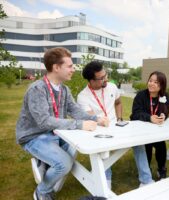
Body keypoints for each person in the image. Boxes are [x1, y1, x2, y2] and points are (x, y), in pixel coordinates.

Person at [16, 47, 106, 200]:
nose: (73, 69)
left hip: (56, 133)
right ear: (56, 68)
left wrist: (96, 119)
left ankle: (45, 163)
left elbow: (75, 111)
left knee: (78, 145)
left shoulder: (64, 90)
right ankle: (42, 191)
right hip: (34, 136)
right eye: (70, 66)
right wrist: (79, 125)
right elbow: (44, 122)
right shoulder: (37, 89)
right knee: (64, 164)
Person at [77, 61, 154, 188]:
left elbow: (118, 103)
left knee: (138, 142)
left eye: (105, 75)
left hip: (117, 127)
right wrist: (101, 122)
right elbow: (91, 118)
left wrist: (119, 119)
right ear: (91, 80)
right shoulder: (83, 97)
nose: (106, 79)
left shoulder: (111, 87)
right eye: (101, 78)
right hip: (99, 132)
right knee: (103, 149)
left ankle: (146, 180)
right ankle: (106, 184)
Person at [130, 71, 169, 180]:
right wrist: (150, 118)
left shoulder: (165, 96)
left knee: (161, 144)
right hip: (141, 130)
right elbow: (135, 114)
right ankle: (145, 169)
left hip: (156, 130)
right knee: (146, 145)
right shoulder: (141, 95)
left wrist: (163, 116)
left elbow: (166, 112)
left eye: (156, 82)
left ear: (161, 85)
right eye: (150, 80)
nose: (151, 83)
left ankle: (161, 168)